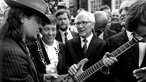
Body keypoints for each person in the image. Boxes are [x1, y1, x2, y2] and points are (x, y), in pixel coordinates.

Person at [0, 0, 57, 82]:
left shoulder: (15, 43)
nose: (40, 27)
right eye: (38, 21)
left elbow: (25, 75)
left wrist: (42, 78)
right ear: (22, 17)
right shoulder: (12, 53)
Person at [102, 0, 146, 82]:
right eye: (120, 11)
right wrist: (105, 66)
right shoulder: (112, 41)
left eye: (127, 9)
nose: (122, 14)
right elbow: (108, 75)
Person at [66, 10, 110, 82]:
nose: (80, 26)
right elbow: (66, 65)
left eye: (84, 23)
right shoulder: (69, 44)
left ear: (92, 25)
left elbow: (104, 72)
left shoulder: (103, 44)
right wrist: (69, 68)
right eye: (77, 23)